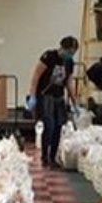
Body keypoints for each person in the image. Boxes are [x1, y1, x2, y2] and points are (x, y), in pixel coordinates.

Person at [26, 36, 79, 168]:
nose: (70, 55)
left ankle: (52, 157)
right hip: (45, 96)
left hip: (58, 97)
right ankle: (44, 157)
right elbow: (36, 76)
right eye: (69, 52)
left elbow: (68, 83)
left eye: (72, 53)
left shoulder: (69, 63)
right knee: (49, 125)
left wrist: (75, 102)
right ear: (62, 48)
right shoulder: (48, 56)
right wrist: (32, 96)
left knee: (58, 127)